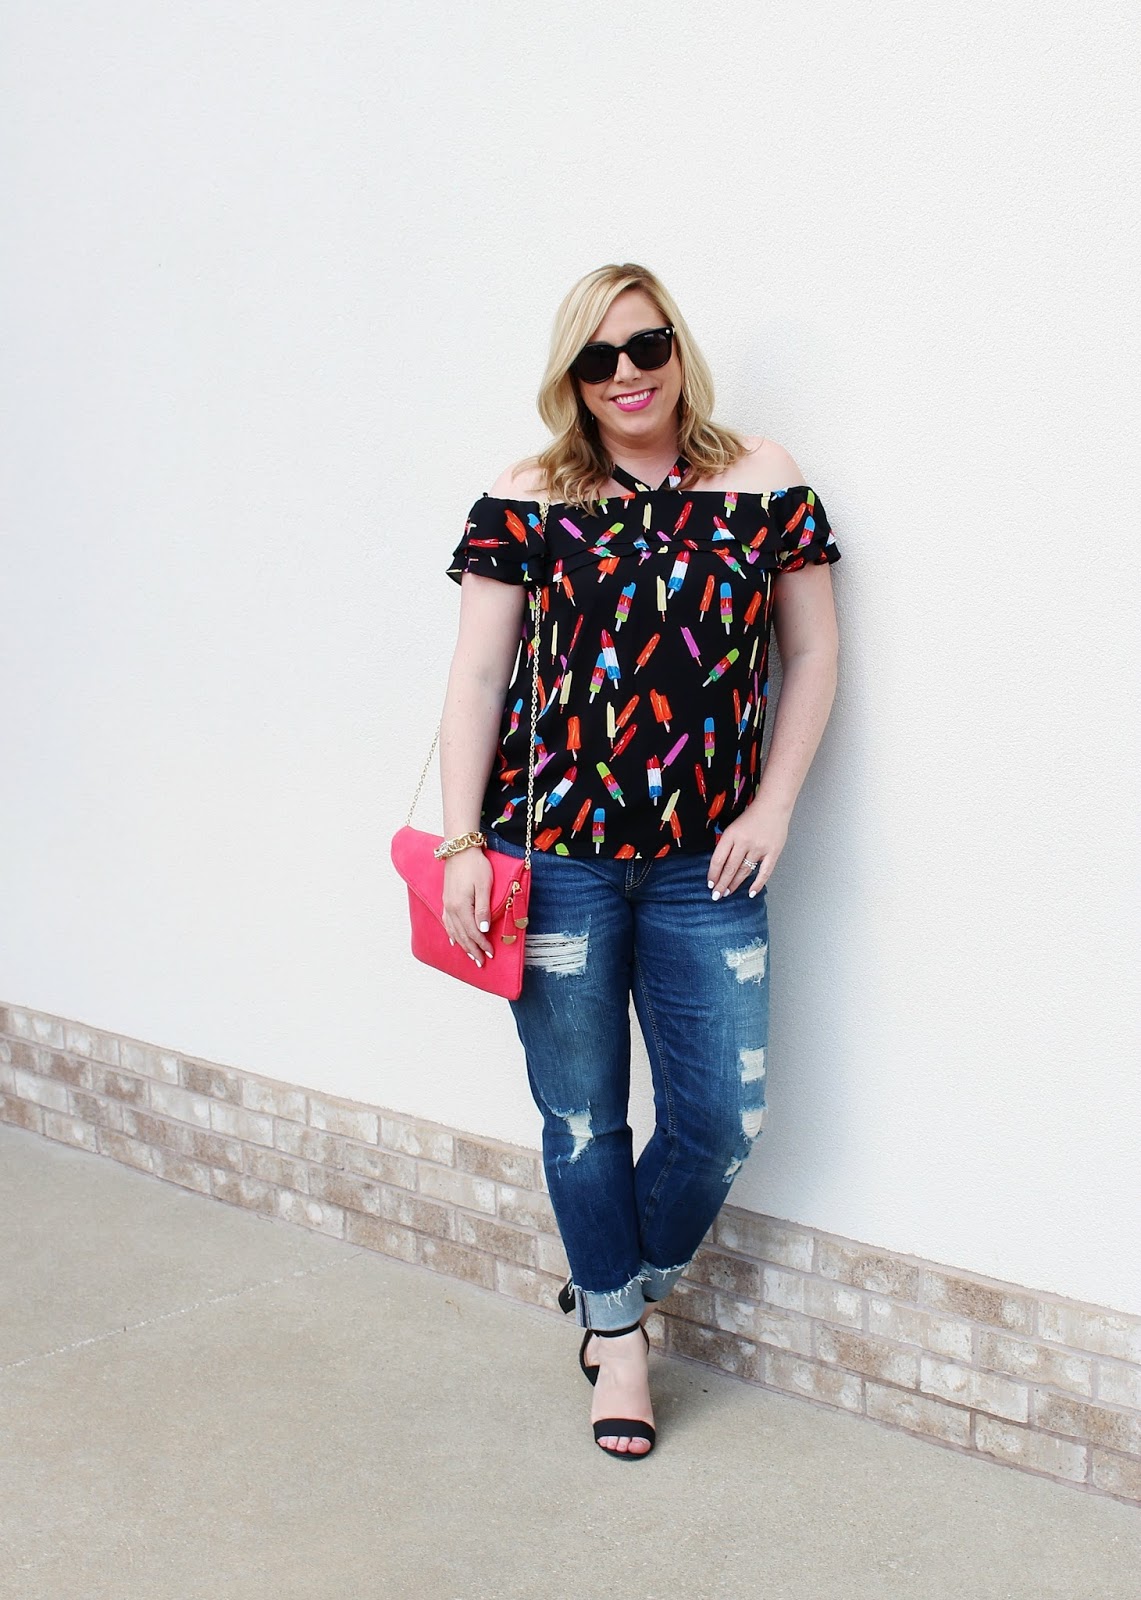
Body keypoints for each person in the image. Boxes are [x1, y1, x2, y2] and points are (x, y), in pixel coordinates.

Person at [437, 262, 842, 1460]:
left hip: (702, 862)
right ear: (571, 376)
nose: (627, 374)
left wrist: (772, 807)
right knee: (581, 1119)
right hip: (551, 855)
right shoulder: (527, 496)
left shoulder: (761, 480)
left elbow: (813, 655)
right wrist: (462, 839)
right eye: (598, 357)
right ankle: (618, 1343)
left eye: (646, 345)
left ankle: (614, 1283)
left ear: (678, 348)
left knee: (722, 1117)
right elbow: (477, 676)